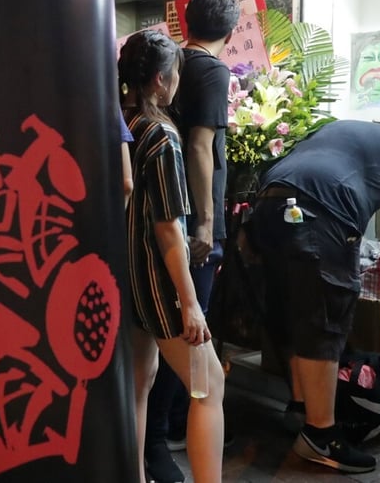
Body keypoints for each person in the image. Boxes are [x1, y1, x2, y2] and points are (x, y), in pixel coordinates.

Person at [242, 119, 380, 474]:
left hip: (271, 199)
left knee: (291, 307)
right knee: (324, 317)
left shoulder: (341, 132)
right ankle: (321, 435)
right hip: (321, 206)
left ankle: (301, 408)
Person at [119, 30, 225, 483]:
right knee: (209, 387)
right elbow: (168, 229)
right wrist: (190, 301)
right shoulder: (162, 134)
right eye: (177, 73)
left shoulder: (127, 125)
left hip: (131, 277)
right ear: (162, 80)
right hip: (159, 284)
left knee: (139, 386)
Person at [145, 0, 239, 483]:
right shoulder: (212, 69)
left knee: (162, 344)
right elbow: (202, 148)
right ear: (232, 29)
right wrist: (205, 221)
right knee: (185, 336)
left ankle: (158, 439)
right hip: (190, 224)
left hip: (162, 217)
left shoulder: (173, 65)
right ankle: (159, 444)